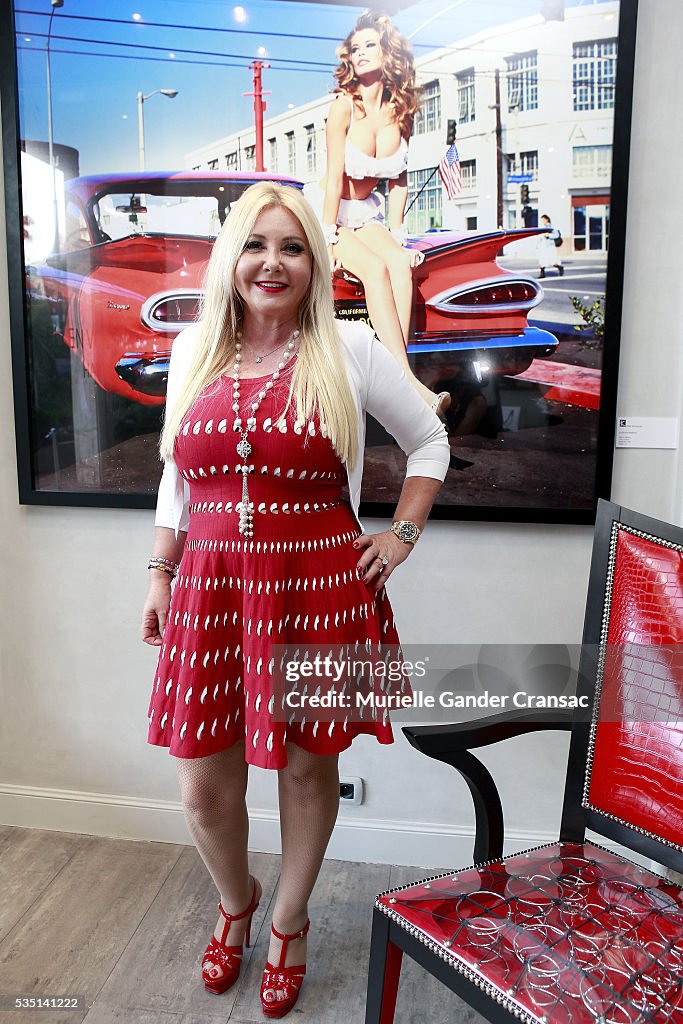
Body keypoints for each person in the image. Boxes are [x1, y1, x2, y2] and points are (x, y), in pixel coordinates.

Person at [140, 181, 449, 1017]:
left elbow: (429, 437)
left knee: (310, 766)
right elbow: (176, 473)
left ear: (315, 262)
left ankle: (287, 920)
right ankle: (234, 902)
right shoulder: (194, 348)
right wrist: (159, 573)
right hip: (209, 586)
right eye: (256, 244)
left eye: (292, 246)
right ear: (230, 258)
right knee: (205, 785)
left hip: (318, 588)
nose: (272, 262)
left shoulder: (348, 349)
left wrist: (400, 538)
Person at [303, 10, 451, 418]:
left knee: (399, 264)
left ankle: (394, 381)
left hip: (367, 214)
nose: (362, 53)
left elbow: (399, 181)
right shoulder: (342, 108)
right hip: (331, 212)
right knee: (373, 268)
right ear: (348, 59)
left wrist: (400, 237)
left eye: (371, 45)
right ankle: (407, 385)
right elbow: (334, 179)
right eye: (356, 49)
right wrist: (325, 237)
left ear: (388, 54)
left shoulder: (402, 112)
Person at [537, 213, 564, 278]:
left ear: (547, 219)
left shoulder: (551, 227)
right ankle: (542, 274)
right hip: (543, 246)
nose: (542, 221)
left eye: (543, 220)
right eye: (541, 220)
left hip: (550, 246)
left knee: (553, 261)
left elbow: (556, 235)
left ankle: (560, 268)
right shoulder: (543, 227)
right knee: (542, 260)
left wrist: (549, 236)